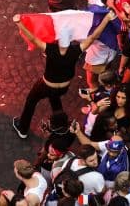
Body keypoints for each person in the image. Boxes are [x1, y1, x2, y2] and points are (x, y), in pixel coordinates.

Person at [11, 9, 116, 138]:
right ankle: (61, 126)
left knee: (31, 101)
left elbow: (32, 38)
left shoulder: (50, 49)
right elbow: (93, 36)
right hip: (63, 88)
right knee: (55, 100)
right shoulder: (75, 50)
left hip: (46, 85)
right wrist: (106, 19)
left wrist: (19, 24)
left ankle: (23, 129)